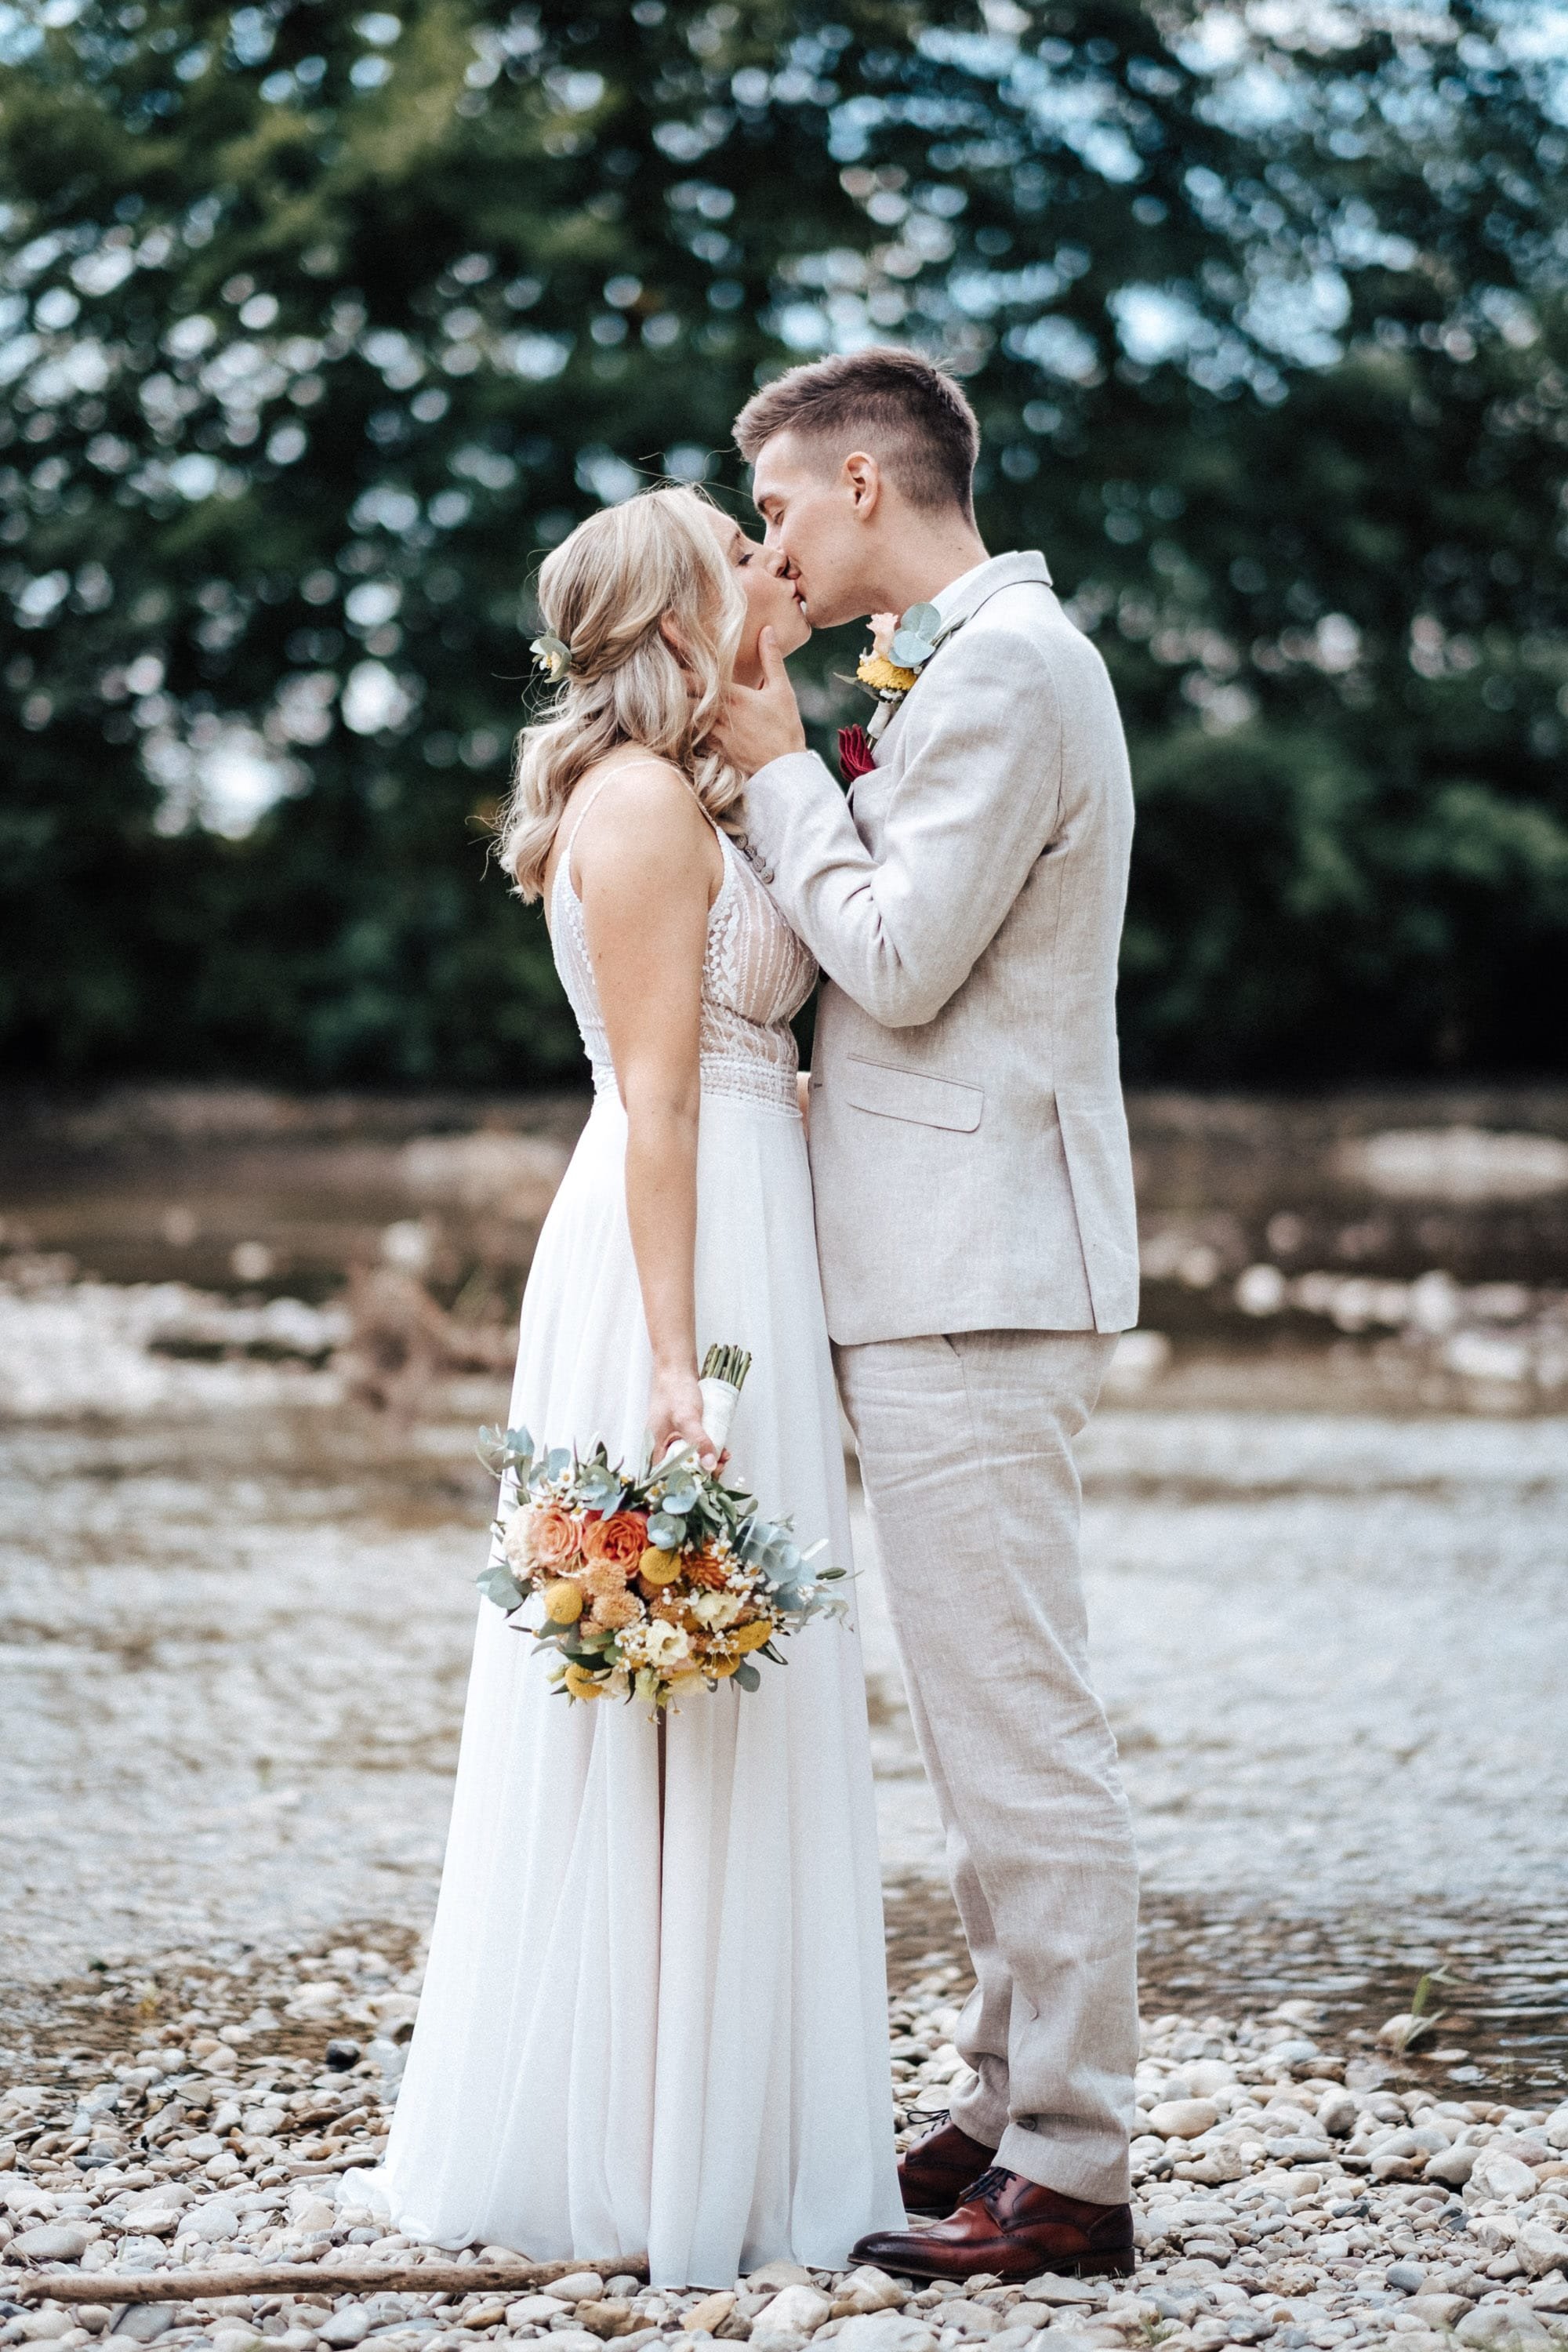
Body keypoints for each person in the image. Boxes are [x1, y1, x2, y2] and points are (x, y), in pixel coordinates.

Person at [351, 485, 902, 2286]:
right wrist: (680, 1366)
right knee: (679, 1667)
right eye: (734, 557)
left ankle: (715, 2122)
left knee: (728, 1672)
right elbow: (663, 1100)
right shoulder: (648, 802)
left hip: (739, 1221)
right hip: (682, 1249)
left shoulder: (706, 784)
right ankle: (657, 2154)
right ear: (677, 613)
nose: (770, 569)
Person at [717, 347, 1142, 2282]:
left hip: (976, 1266)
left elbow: (890, 961)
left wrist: (785, 762)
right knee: (976, 1726)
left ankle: (1071, 2168)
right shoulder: (968, 661)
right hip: (935, 1256)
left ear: (869, 482)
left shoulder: (1005, 667)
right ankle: (995, 2094)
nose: (771, 544)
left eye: (784, 506)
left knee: (1015, 1730)